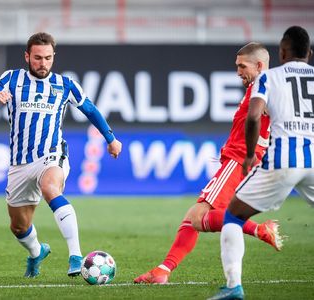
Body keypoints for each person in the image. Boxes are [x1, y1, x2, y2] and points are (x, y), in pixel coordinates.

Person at [0, 32, 122, 277]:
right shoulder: (11, 79)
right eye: (38, 58)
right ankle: (36, 252)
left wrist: (111, 138)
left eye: (48, 58)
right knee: (19, 226)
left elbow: (90, 109)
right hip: (19, 163)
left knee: (51, 187)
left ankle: (76, 256)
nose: (43, 63)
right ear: (27, 56)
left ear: (54, 57)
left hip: (52, 154)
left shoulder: (65, 84)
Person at [134, 42, 284, 284]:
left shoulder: (265, 87)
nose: (237, 72)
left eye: (242, 66)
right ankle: (163, 270)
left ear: (259, 65)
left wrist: (253, 153)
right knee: (193, 218)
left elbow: (265, 118)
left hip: (239, 161)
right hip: (242, 160)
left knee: (197, 218)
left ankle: (259, 229)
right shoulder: (261, 88)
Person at [209, 25, 314, 300]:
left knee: (232, 215)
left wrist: (248, 155)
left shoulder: (268, 78)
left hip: (283, 160)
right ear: (310, 54)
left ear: (281, 52)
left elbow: (254, 116)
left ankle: (234, 288)